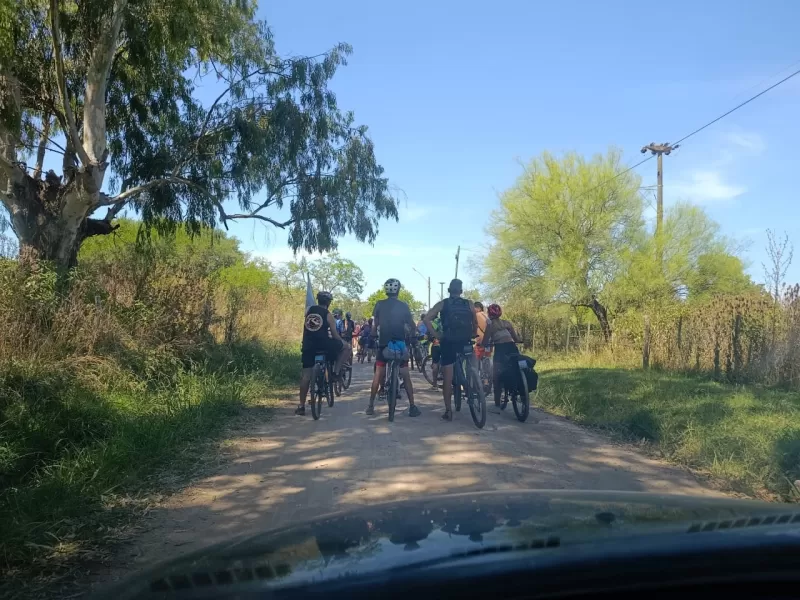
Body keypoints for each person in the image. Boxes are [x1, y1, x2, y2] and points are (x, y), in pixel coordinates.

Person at [423, 279, 478, 421]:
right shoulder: (469, 304)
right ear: (461, 291)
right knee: (471, 362)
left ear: (448, 290)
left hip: (448, 342)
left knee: (448, 377)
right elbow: (475, 322)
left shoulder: (443, 304)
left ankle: (448, 410)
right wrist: (472, 332)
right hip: (465, 340)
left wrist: (436, 335)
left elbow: (427, 318)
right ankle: (474, 382)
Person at [367, 278, 421, 417]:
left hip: (384, 344)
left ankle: (370, 405)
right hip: (400, 345)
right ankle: (412, 406)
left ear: (386, 290)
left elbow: (375, 324)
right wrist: (414, 335)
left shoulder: (379, 304)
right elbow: (411, 325)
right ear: (398, 290)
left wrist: (372, 336)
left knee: (378, 373)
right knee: (405, 374)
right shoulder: (404, 305)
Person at [296, 291, 350, 416]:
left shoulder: (308, 311)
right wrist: (343, 342)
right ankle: (336, 373)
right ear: (329, 303)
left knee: (305, 376)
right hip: (324, 345)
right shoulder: (328, 315)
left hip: (308, 346)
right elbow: (335, 335)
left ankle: (301, 406)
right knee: (346, 348)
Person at [482, 303, 521, 407]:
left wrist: (484, 344)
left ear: (489, 314)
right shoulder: (507, 323)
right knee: (515, 367)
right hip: (512, 347)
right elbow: (516, 339)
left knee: (496, 376)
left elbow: (485, 341)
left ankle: (497, 402)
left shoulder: (490, 326)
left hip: (500, 349)